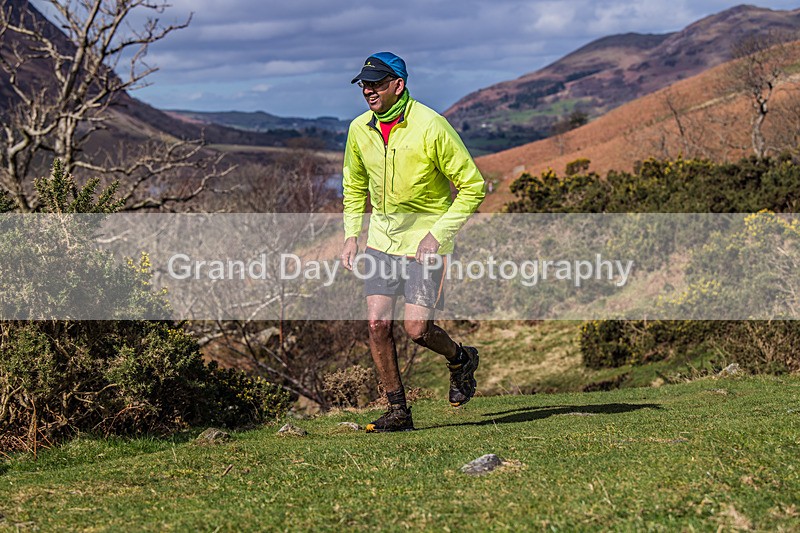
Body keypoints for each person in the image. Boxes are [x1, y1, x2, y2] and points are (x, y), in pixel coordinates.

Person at [340, 52, 486, 432]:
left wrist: (438, 234)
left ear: (398, 85)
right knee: (376, 325)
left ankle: (461, 359)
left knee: (417, 330)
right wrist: (351, 235)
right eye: (364, 84)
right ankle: (398, 412)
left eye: (376, 83)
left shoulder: (431, 126)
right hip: (381, 243)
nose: (368, 90)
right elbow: (354, 186)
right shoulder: (359, 129)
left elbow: (473, 186)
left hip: (425, 244)